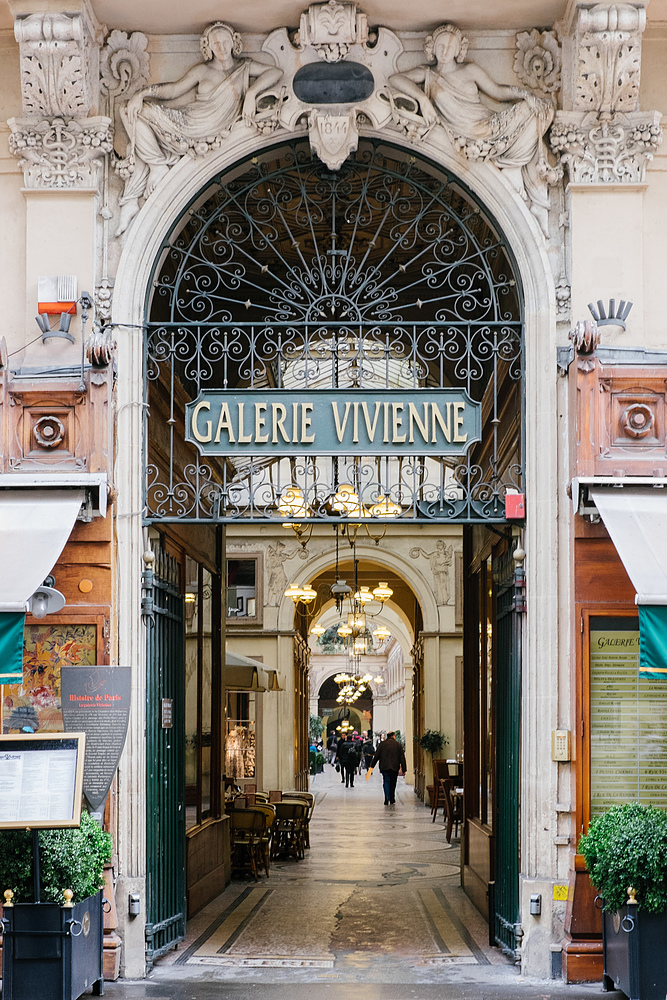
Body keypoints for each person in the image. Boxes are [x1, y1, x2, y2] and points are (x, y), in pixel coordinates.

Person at [115, 21, 283, 234]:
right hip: (187, 122)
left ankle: (143, 182)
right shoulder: (203, 70)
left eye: (225, 41)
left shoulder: (245, 67)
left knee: (131, 116)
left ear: (234, 42)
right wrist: (141, 94)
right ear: (209, 47)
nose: (221, 47)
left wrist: (251, 93)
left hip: (210, 130)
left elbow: (275, 72)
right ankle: (156, 166)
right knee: (127, 110)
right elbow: (175, 90)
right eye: (216, 43)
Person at [389, 23, 553, 236]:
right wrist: (422, 99)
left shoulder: (469, 70)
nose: (445, 51)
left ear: (459, 50)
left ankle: (533, 192)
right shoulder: (427, 74)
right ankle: (518, 174)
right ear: (432, 48)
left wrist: (526, 95)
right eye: (440, 46)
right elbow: (395, 79)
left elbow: (497, 91)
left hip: (490, 126)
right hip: (465, 135)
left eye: (450, 46)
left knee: (543, 109)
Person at [369, 731, 407, 806]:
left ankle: (386, 797)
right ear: (393, 736)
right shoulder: (398, 745)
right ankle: (392, 798)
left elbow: (376, 756)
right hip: (394, 767)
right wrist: (404, 769)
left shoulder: (382, 744)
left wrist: (371, 766)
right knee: (393, 783)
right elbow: (402, 758)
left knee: (386, 781)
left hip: (384, 767)